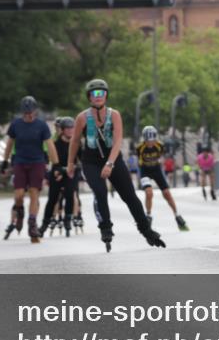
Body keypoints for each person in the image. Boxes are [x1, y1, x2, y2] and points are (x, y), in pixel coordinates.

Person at [66, 79, 166, 252]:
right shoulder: (82, 118)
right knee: (101, 192)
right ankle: (105, 227)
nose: (98, 97)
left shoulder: (114, 115)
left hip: (113, 159)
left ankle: (146, 229)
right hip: (91, 162)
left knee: (130, 196)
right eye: (94, 94)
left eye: (101, 93)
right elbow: (75, 141)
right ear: (89, 97)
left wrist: (110, 164)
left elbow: (118, 140)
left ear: (106, 96)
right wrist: (69, 163)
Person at [1, 96, 59, 244]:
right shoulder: (15, 125)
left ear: (35, 111)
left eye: (31, 112)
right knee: (19, 194)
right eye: (26, 113)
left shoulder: (42, 126)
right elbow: (9, 144)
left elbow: (50, 145)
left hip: (37, 163)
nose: (28, 115)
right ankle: (20, 213)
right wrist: (5, 161)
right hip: (19, 162)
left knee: (34, 193)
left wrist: (56, 164)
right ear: (22, 112)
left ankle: (32, 224)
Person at [136, 126, 188, 231]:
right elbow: (140, 161)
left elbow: (162, 157)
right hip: (145, 170)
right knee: (149, 193)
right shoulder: (140, 148)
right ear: (144, 140)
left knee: (167, 193)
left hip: (156, 170)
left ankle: (177, 215)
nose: (150, 143)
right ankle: (149, 215)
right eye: (148, 141)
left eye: (152, 140)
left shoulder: (160, 146)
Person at [41, 117, 79, 237]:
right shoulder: (55, 144)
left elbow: (81, 161)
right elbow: (53, 161)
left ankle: (68, 220)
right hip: (57, 172)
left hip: (71, 172)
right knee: (52, 199)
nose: (71, 131)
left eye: (72, 128)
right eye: (68, 128)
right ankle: (44, 224)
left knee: (69, 194)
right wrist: (60, 170)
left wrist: (71, 168)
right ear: (62, 130)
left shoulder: (77, 143)